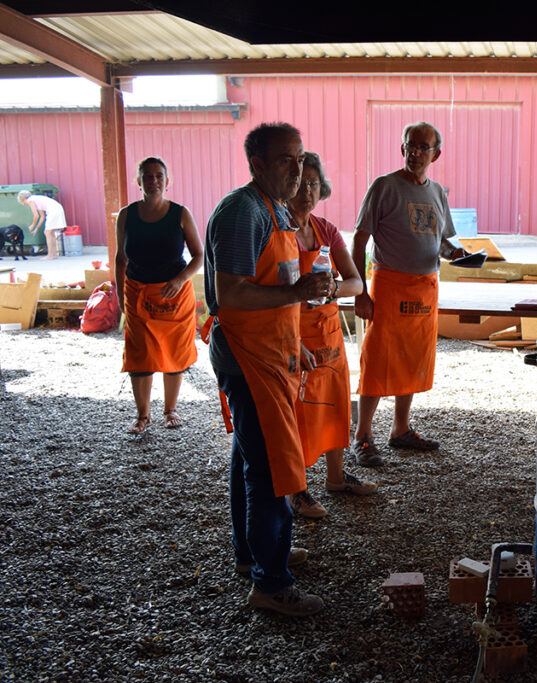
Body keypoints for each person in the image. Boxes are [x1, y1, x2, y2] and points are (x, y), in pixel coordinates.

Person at [203, 122, 334, 616]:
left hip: (273, 351)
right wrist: (296, 296)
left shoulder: (275, 208)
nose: (296, 168)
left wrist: (293, 337)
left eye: (300, 158)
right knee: (272, 471)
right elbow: (232, 293)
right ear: (256, 163)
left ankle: (251, 554)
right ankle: (271, 582)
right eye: (285, 159)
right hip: (248, 358)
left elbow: (274, 279)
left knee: (247, 457)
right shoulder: (243, 211)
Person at [350, 121, 468, 467]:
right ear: (401, 148)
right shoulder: (384, 187)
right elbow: (359, 240)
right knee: (378, 358)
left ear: (437, 154)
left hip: (425, 286)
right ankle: (363, 436)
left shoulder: (437, 193)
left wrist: (458, 255)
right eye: (409, 145)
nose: (415, 152)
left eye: (423, 147)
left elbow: (444, 242)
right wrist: (360, 291)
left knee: (414, 357)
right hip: (388, 284)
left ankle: (400, 429)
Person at [285, 151, 378, 519]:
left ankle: (336, 477)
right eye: (300, 184)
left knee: (337, 402)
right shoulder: (279, 230)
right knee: (298, 410)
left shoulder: (327, 230)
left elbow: (356, 281)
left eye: (313, 184)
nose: (307, 191)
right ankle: (297, 488)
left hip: (328, 331)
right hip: (294, 331)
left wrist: (332, 289)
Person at [115, 157, 202, 433]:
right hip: (138, 291)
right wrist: (121, 298)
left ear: (167, 180)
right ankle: (142, 415)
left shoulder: (180, 213)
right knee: (139, 353)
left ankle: (170, 409)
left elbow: (199, 256)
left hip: (174, 293)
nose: (153, 181)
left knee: (173, 351)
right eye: (147, 176)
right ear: (138, 181)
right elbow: (120, 260)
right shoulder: (126, 215)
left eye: (159, 176)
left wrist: (180, 280)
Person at [17, 190, 67, 260]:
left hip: (53, 210)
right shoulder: (35, 198)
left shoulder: (30, 200)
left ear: (24, 199)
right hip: (58, 208)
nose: (26, 204)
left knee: (48, 232)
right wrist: (36, 229)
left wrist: (32, 225)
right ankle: (54, 254)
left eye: (24, 203)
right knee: (51, 233)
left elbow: (36, 216)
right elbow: (42, 217)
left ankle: (50, 255)